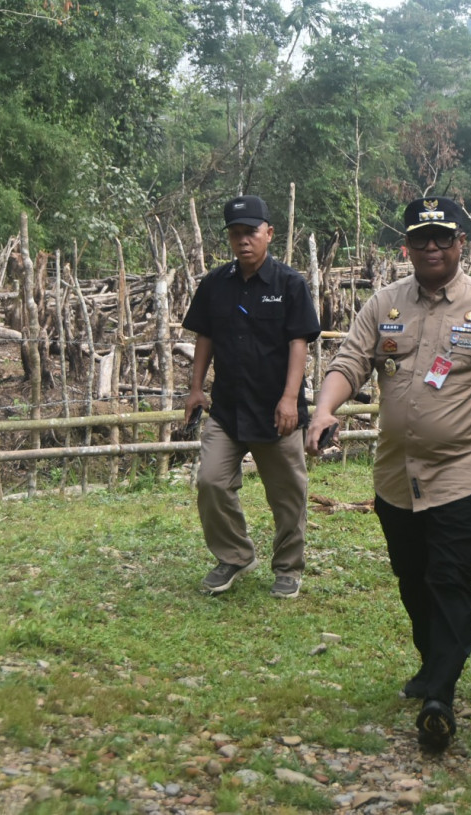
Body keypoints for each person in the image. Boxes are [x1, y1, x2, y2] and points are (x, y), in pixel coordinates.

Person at [305, 196, 471, 752]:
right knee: (411, 575)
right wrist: (325, 408)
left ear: (460, 246)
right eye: (421, 239)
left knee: (449, 577)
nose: (431, 247)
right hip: (395, 475)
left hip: (463, 471)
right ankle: (433, 664)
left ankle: (440, 696)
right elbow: (350, 362)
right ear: (406, 246)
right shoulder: (384, 304)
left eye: (442, 238)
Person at [182, 194, 322, 598]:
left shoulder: (289, 285)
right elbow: (204, 336)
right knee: (211, 481)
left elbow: (299, 343)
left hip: (276, 410)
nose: (244, 241)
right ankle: (235, 555)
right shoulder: (215, 285)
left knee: (287, 494)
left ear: (269, 234)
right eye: (236, 234)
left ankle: (288, 567)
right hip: (227, 407)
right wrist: (195, 389)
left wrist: (289, 399)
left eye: (251, 232)